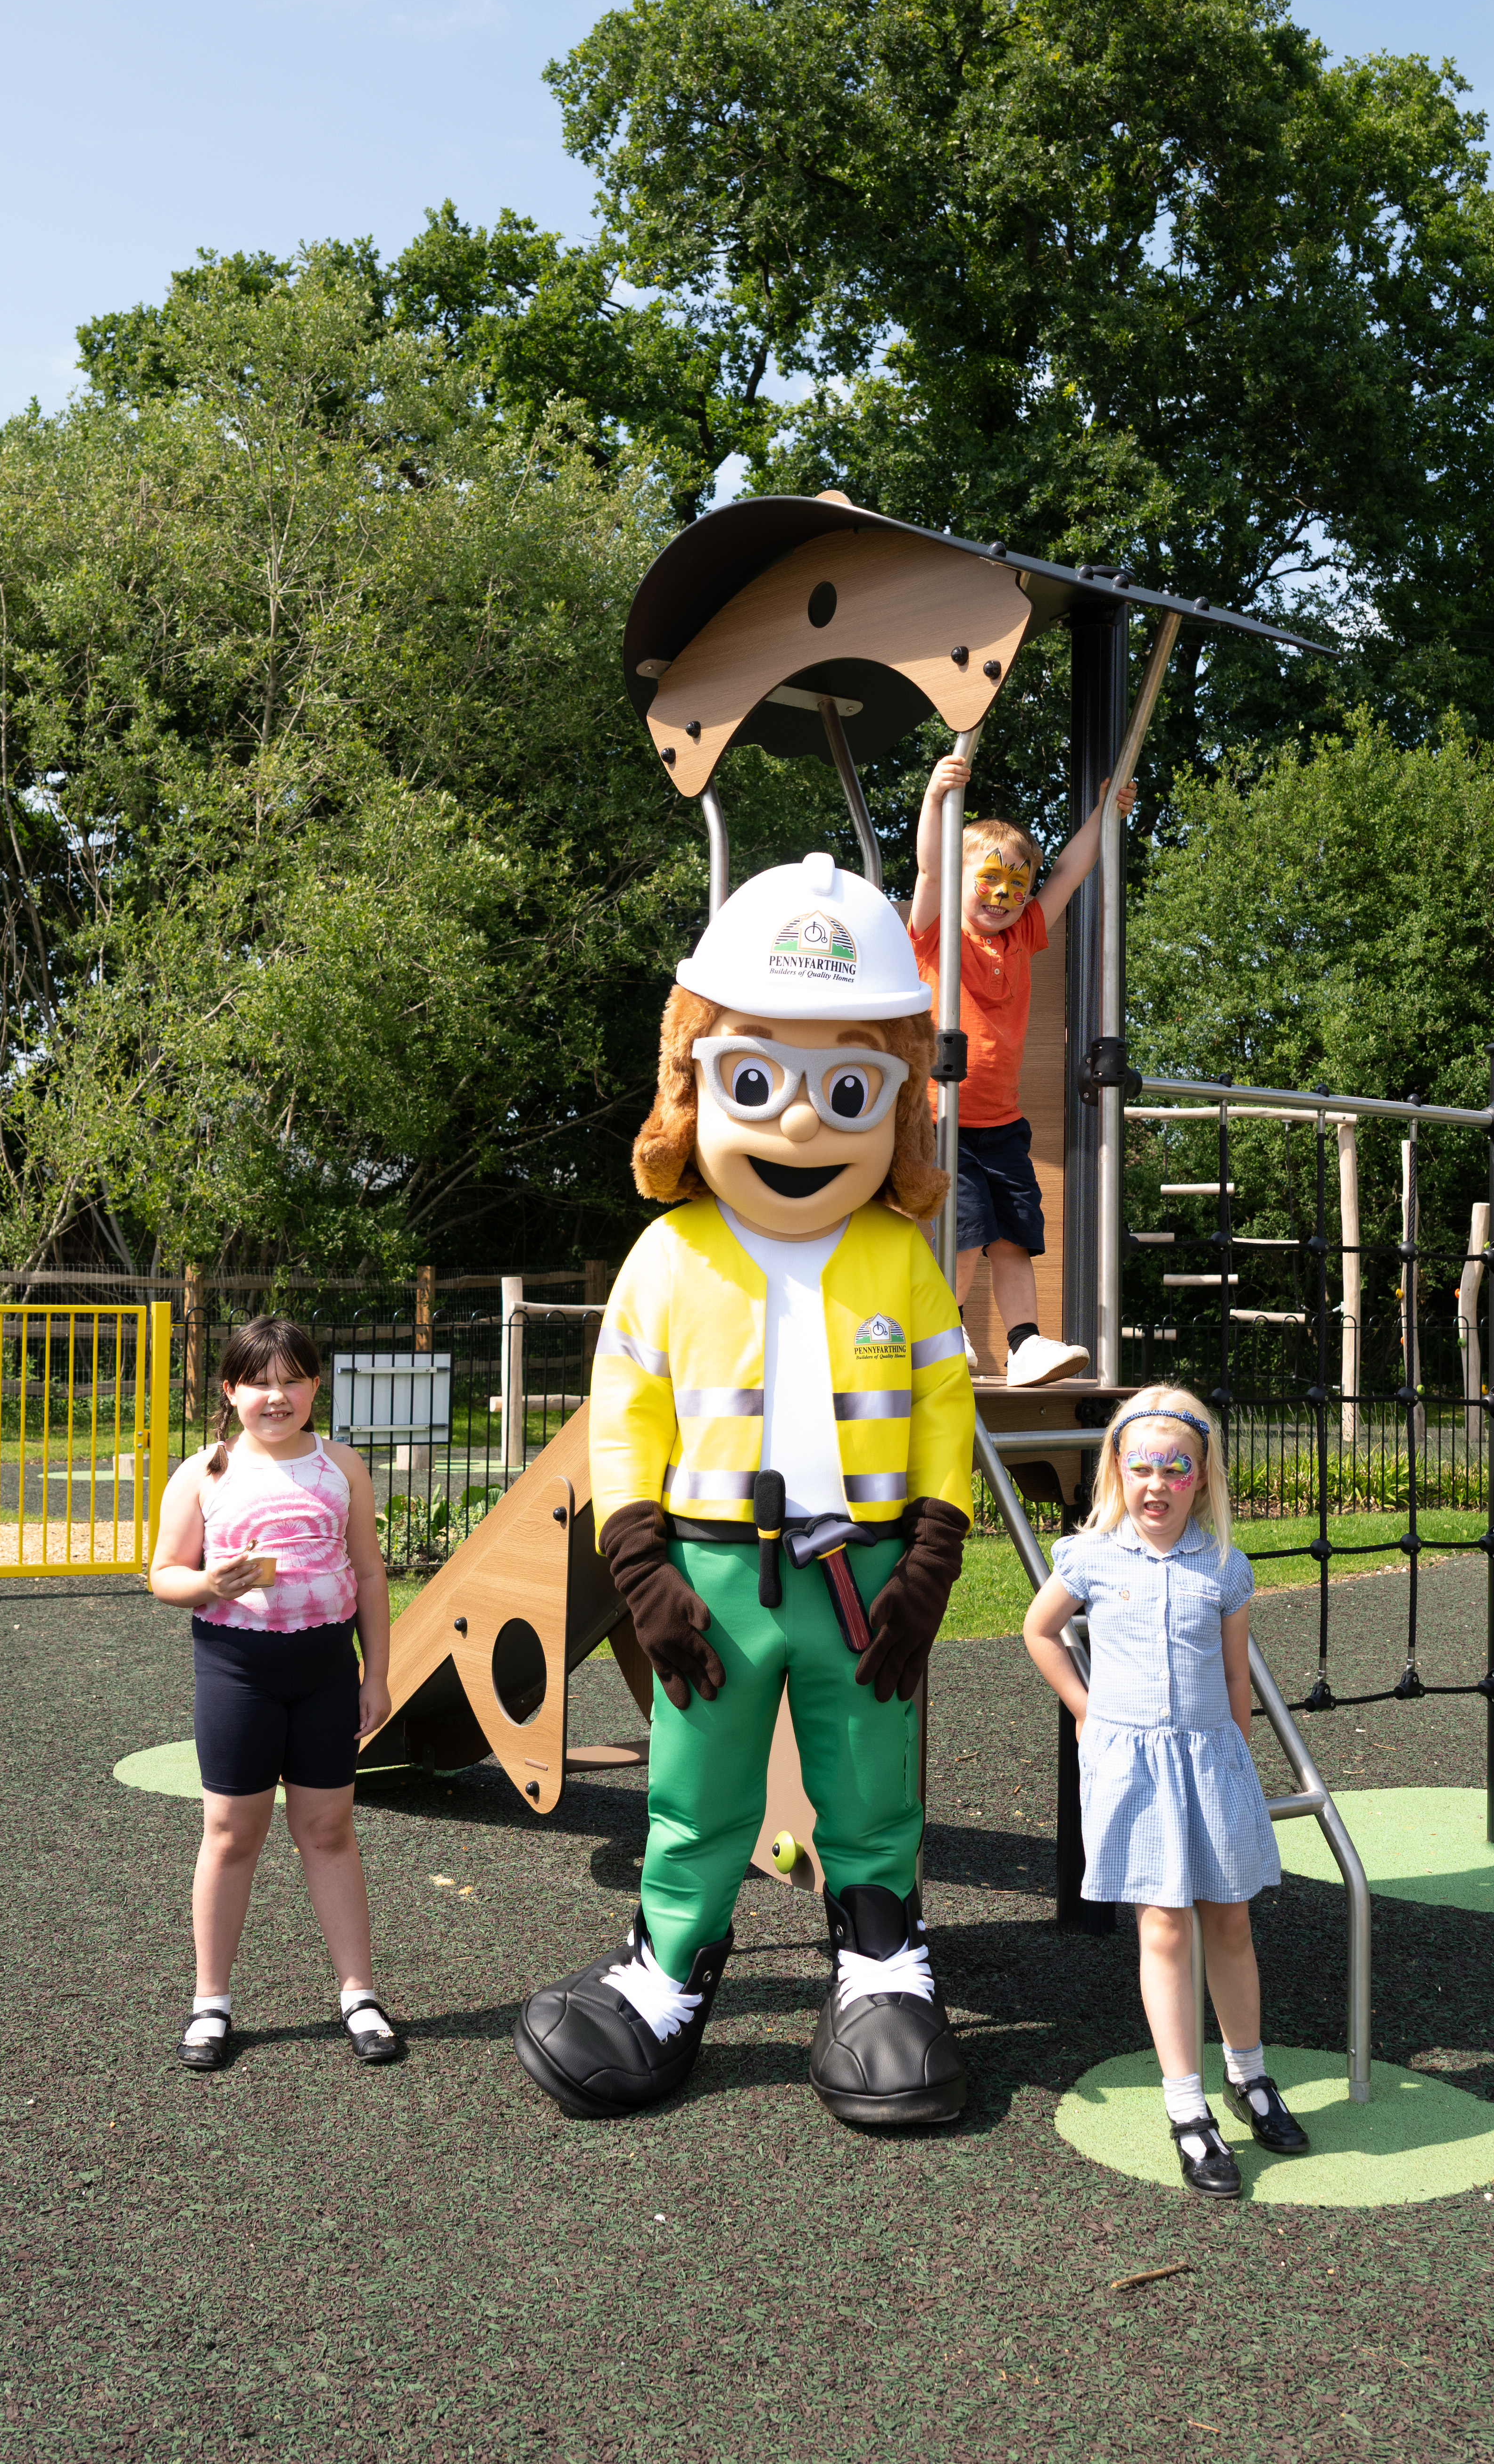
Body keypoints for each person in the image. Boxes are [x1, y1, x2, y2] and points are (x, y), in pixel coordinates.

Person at [512, 852, 978, 2126]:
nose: (802, 1125)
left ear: (897, 1107)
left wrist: (934, 1552)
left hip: (865, 1574)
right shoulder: (669, 1257)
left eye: (850, 1090)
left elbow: (945, 1406)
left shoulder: (902, 1258)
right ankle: (669, 1969)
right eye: (755, 1080)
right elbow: (626, 1417)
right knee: (700, 1776)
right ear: (693, 1082)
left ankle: (882, 1965)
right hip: (710, 1573)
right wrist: (640, 1564)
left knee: (871, 1773)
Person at [1020, 1383, 1309, 2198]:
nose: (1157, 1485)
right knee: (1165, 1927)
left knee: (1230, 1919)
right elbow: (1039, 1630)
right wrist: (1085, 1710)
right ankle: (1187, 2106)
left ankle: (1249, 2076)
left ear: (1201, 1477)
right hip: (1135, 1772)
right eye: (1141, 1467)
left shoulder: (1224, 1567)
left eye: (1175, 1469)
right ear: (1118, 1470)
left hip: (1212, 1763)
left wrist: (1237, 1759)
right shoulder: (1090, 1557)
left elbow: (1235, 1679)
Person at [146, 1315, 403, 2072]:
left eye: (292, 1380)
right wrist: (207, 1583)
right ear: (230, 1391)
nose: (276, 1396)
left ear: (317, 1386)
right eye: (258, 1382)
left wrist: (377, 1675)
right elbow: (163, 1574)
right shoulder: (205, 1472)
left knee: (328, 1830)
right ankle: (211, 2004)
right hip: (238, 1673)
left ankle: (359, 1995)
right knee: (231, 1833)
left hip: (326, 1673)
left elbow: (369, 1574)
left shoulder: (342, 1466)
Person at [908, 750, 1126, 1387]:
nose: (1003, 896)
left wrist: (1104, 816)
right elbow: (929, 868)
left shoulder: (1023, 935)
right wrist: (935, 798)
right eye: (989, 880)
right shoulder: (938, 933)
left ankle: (1024, 1343)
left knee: (1013, 1236)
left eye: (1016, 885)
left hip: (1002, 1123)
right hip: (943, 1116)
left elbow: (1069, 873)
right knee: (966, 1231)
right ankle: (944, 1333)